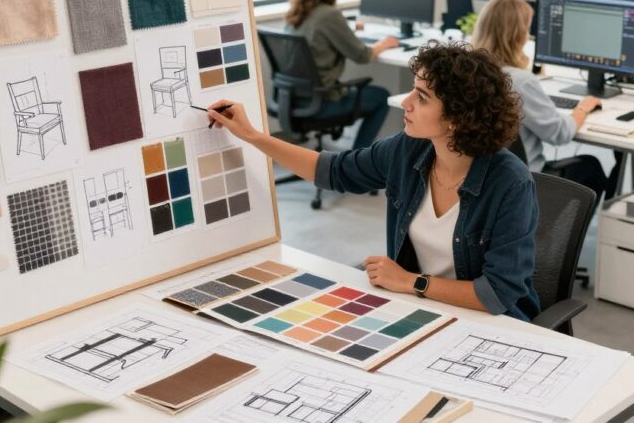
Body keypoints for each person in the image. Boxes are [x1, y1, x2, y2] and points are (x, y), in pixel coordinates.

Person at [207, 43, 541, 321]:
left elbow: (495, 294)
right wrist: (252, 136)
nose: (406, 102)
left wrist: (413, 282)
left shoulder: (510, 183)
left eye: (422, 97)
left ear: (457, 118)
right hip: (423, 309)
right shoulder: (409, 150)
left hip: (490, 323)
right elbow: (332, 171)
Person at [471, 0, 608, 202]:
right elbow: (558, 134)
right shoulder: (520, 81)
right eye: (526, 29)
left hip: (481, 181)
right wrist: (582, 110)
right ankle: (559, 232)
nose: (528, 36)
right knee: (590, 167)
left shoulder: (468, 73)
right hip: (523, 181)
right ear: (516, 36)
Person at [284, 0, 401, 149]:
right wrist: (383, 44)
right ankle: (357, 160)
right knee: (382, 97)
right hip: (322, 101)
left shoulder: (297, 11)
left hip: (294, 98)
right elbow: (362, 55)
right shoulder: (329, 15)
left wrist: (349, 32)